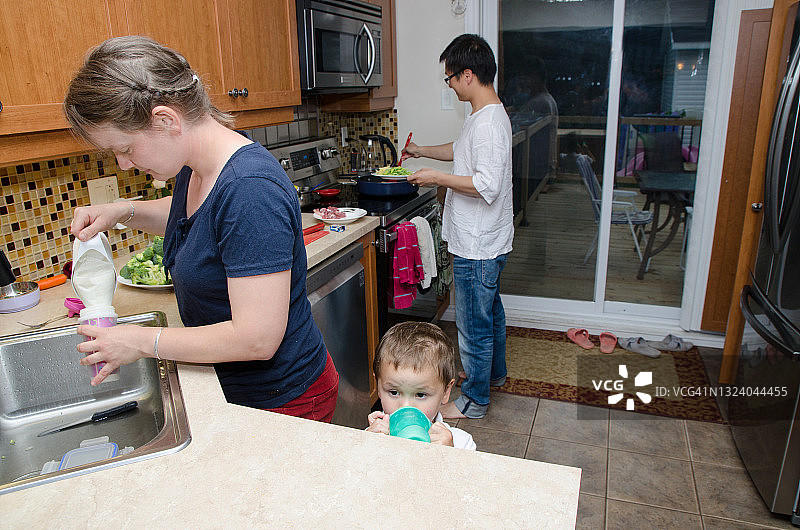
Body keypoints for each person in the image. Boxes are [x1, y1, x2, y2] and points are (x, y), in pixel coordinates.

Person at [65, 36, 339, 422]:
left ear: (165, 120)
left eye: (125, 149)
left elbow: (257, 338)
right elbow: (200, 219)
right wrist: (122, 211)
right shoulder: (198, 165)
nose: (124, 164)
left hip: (282, 402)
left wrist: (140, 342)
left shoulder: (250, 189)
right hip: (243, 391)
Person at [403, 34, 513, 420]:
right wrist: (422, 152)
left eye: (450, 77)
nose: (448, 84)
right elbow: (460, 150)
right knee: (491, 313)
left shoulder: (487, 124)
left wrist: (436, 178)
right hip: (486, 240)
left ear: (468, 75)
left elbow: (487, 185)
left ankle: (475, 400)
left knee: (472, 326)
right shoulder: (483, 117)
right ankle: (493, 376)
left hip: (477, 244)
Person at [366, 322, 476, 450]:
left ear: (446, 392)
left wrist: (448, 455)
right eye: (394, 392)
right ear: (378, 387)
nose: (406, 406)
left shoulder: (461, 443)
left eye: (420, 394)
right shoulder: (373, 435)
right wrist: (369, 447)